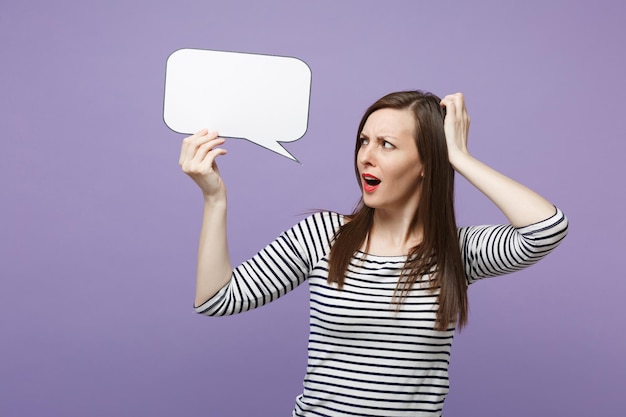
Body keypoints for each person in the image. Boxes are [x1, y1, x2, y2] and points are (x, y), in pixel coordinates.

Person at [178, 91, 568, 416]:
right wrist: (214, 199)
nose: (366, 155)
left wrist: (459, 157)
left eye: (386, 144)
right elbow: (216, 299)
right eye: (364, 141)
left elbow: (546, 228)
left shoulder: (458, 251)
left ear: (426, 164)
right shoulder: (323, 236)